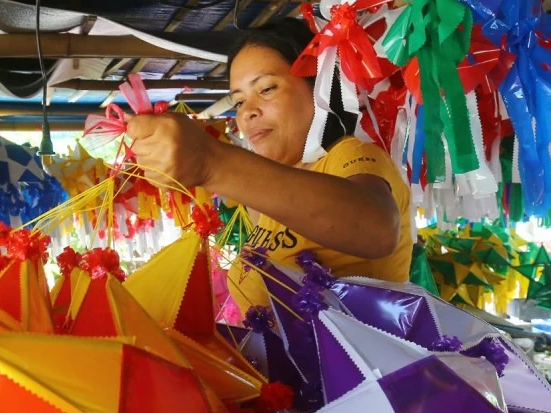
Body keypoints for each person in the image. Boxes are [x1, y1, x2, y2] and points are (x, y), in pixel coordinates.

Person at [126, 18, 413, 312]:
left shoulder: (351, 154)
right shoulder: (273, 185)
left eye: (266, 89)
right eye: (239, 102)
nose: (248, 112)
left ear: (317, 87)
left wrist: (210, 162)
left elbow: (376, 227)